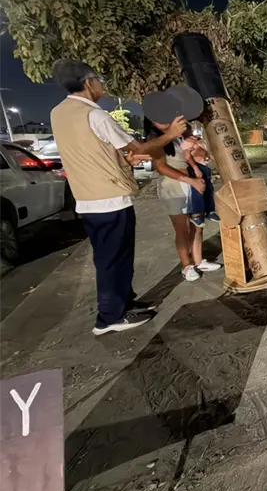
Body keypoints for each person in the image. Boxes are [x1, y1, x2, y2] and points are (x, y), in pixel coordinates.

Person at [50, 59, 187, 335]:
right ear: (88, 83)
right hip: (109, 197)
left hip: (88, 199)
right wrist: (171, 134)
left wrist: (123, 160)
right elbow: (142, 148)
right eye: (99, 79)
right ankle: (110, 317)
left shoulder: (58, 113)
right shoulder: (95, 115)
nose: (103, 84)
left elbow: (95, 153)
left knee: (110, 256)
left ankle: (124, 303)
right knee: (115, 258)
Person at [145, 119, 223, 282]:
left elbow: (193, 155)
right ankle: (186, 266)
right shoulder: (155, 139)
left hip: (191, 184)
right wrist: (190, 180)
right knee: (183, 228)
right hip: (173, 187)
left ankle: (198, 260)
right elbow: (161, 167)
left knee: (197, 224)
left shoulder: (178, 136)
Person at [181, 130, 219, 227]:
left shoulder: (198, 140)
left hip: (204, 165)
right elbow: (187, 156)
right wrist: (196, 168)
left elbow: (207, 152)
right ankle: (196, 215)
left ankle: (210, 211)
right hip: (196, 166)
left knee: (209, 189)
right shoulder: (187, 142)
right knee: (198, 189)